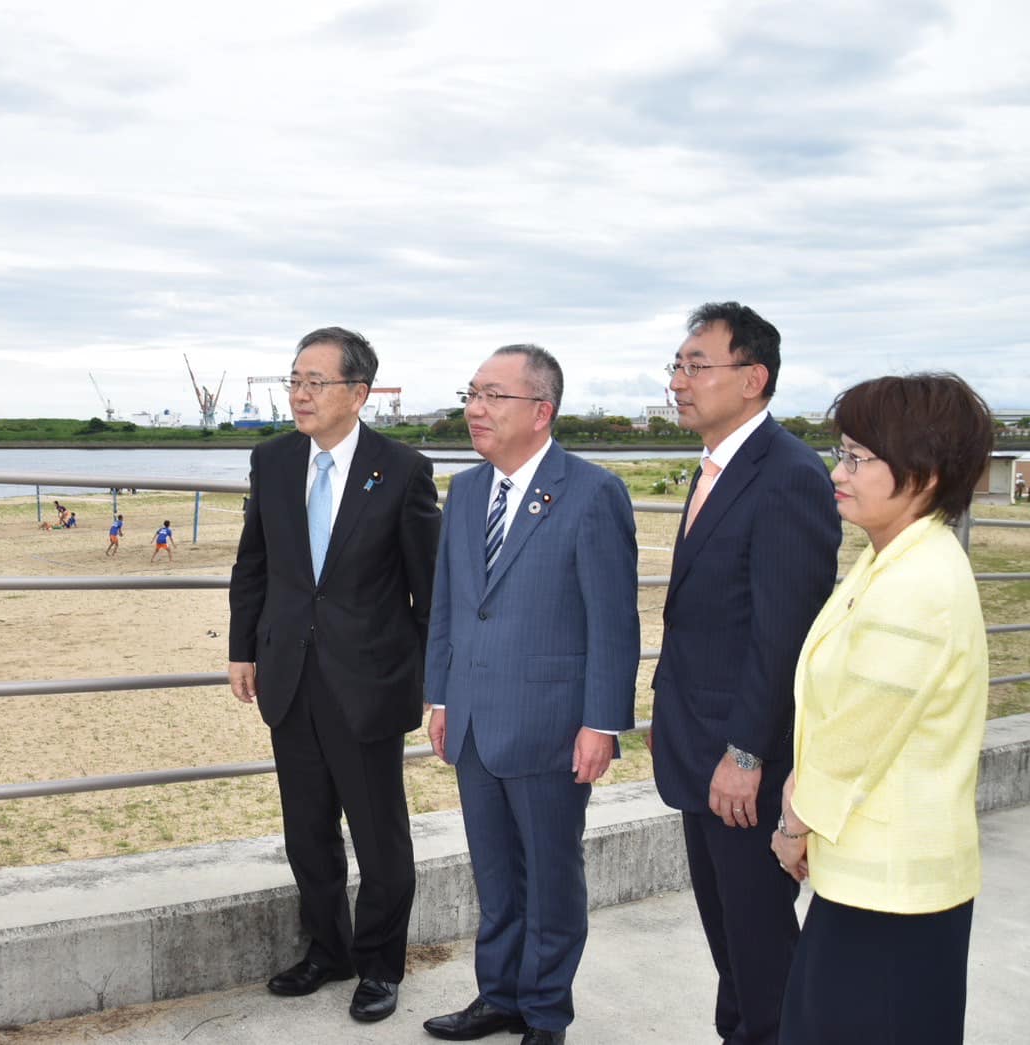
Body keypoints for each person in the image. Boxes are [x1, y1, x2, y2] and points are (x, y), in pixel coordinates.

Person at [420, 346, 639, 1044]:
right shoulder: (463, 491)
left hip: (550, 722)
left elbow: (613, 619)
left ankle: (545, 1013)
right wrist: (440, 698)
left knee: (549, 875)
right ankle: (500, 995)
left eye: (492, 395)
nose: (474, 409)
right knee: (494, 872)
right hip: (474, 719)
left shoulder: (591, 491)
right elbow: (450, 606)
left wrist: (601, 722)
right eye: (471, 393)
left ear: (541, 411)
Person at [771, 373, 993, 1044]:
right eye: (839, 451)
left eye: (855, 457)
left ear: (922, 474)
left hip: (893, 888)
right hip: (873, 874)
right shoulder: (890, 556)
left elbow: (858, 735)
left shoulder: (917, 582)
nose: (837, 471)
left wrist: (792, 820)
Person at [228, 327, 441, 1023]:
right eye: (293, 379)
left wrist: (418, 674)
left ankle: (379, 966)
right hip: (287, 672)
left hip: (368, 682)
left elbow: (428, 588)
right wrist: (242, 648)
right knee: (306, 829)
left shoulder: (401, 469)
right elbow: (253, 562)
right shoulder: (273, 460)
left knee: (379, 837)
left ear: (358, 392)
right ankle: (329, 948)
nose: (298, 393)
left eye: (315, 381)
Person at [649, 302, 842, 1045]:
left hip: (742, 760)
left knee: (759, 943)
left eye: (696, 365)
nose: (678, 381)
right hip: (697, 744)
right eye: (676, 365)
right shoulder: (717, 466)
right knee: (729, 935)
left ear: (753, 377)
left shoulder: (786, 474)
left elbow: (781, 635)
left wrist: (746, 754)